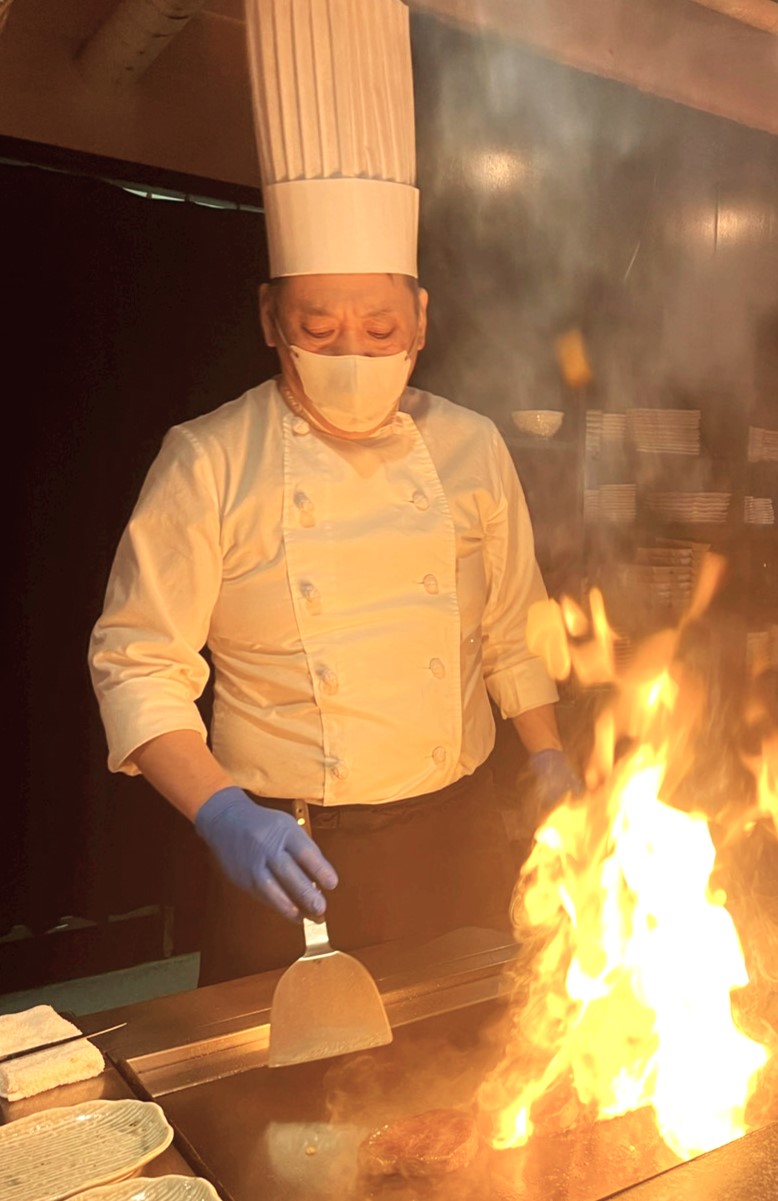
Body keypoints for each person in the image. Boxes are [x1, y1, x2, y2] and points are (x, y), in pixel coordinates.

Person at [88, 0, 577, 985]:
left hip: (454, 836)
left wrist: (547, 756)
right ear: (271, 318)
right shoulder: (208, 459)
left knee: (471, 1064)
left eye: (380, 328)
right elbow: (136, 663)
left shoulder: (472, 446)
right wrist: (221, 808)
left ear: (421, 319)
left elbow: (512, 628)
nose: (351, 350)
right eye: (318, 326)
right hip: (288, 854)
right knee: (281, 1073)